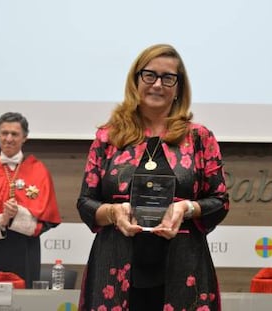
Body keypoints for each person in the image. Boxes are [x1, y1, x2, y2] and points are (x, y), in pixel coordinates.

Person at [77, 44, 229, 311]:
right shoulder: (108, 137)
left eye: (168, 78)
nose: (158, 84)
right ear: (136, 80)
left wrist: (186, 207)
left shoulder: (199, 137)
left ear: (179, 87)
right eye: (149, 75)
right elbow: (86, 203)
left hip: (184, 268)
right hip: (114, 266)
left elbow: (220, 201)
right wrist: (113, 212)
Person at [0, 112, 61, 289]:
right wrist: (1, 221)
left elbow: (47, 220)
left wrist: (17, 216)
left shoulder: (39, 172)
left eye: (14, 134)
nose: (8, 138)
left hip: (24, 253)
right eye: (4, 133)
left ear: (25, 137)